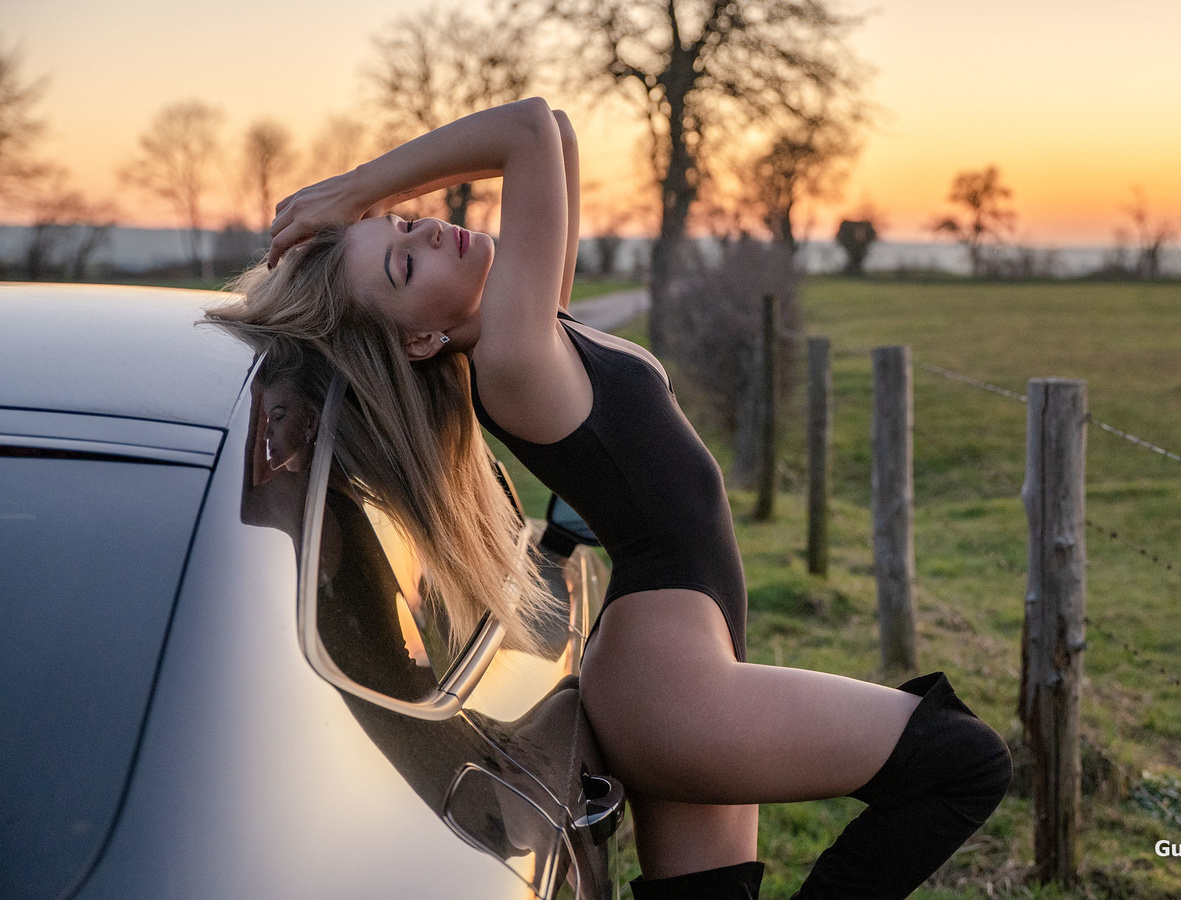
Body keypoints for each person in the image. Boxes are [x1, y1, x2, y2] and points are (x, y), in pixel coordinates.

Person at [209, 97, 1010, 899]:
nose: (426, 233)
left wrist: (363, 211)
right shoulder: (516, 358)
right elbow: (521, 131)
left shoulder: (531, 324)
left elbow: (552, 132)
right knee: (964, 762)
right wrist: (355, 192)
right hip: (673, 687)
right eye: (404, 265)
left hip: (676, 667)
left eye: (405, 224)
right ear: (418, 339)